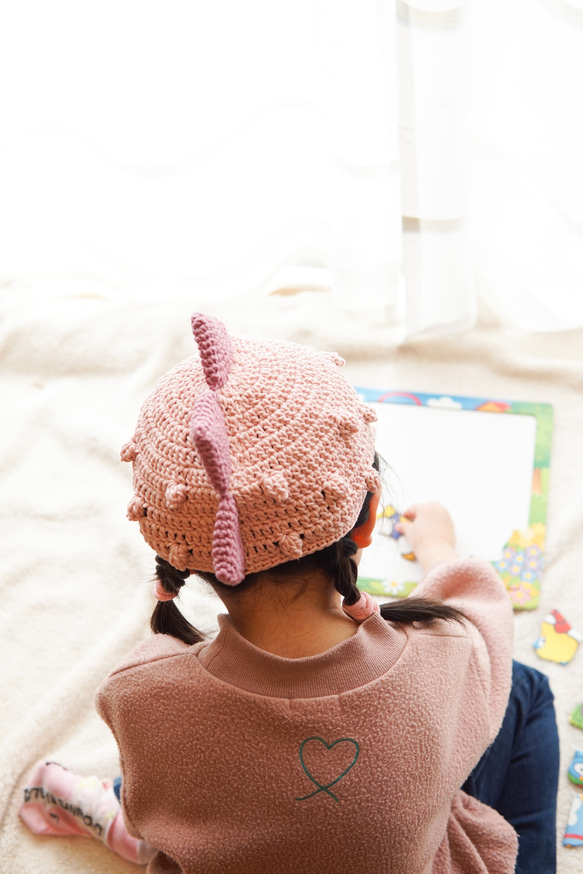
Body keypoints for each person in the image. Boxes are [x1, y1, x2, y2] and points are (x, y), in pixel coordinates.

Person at [19, 312, 559, 873]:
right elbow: (478, 609)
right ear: (369, 518)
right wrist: (440, 550)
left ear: (180, 553)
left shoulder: (139, 691)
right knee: (525, 688)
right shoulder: (443, 654)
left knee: (183, 772)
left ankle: (123, 822)